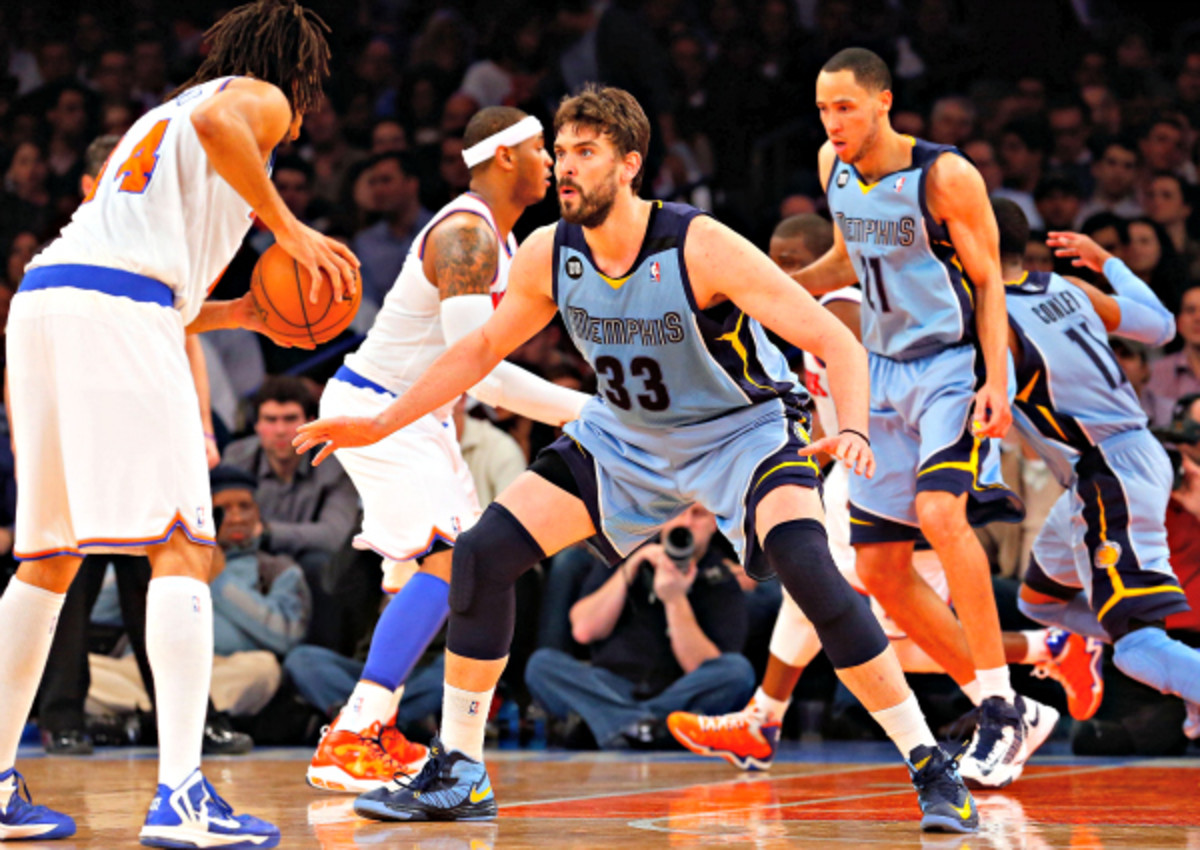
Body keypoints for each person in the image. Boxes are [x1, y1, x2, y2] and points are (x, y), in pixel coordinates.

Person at [298, 85, 978, 834]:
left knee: (812, 573)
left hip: (738, 432)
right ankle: (460, 768)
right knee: (482, 554)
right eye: (559, 153)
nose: (564, 168)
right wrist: (384, 419)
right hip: (627, 438)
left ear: (629, 164)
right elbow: (481, 349)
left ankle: (929, 764)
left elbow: (839, 341)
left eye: (584, 153)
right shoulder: (548, 252)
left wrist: (852, 428)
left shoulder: (699, 243)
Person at [0, 0, 358, 845]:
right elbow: (220, 117)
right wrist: (290, 227)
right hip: (115, 313)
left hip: (49, 302)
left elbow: (161, 292)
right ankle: (183, 794)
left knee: (47, 559)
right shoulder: (255, 99)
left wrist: (246, 313)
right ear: (297, 75)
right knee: (185, 546)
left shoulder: (154, 126)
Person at [667, 214, 1097, 772]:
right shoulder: (811, 322)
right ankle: (763, 720)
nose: (777, 272)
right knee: (815, 597)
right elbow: (832, 415)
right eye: (773, 259)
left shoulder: (841, 307)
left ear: (829, 265)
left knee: (893, 639)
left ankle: (1027, 684)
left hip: (899, 478)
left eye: (792, 261)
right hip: (858, 478)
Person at [304, 105, 589, 794]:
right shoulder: (466, 234)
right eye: (538, 149)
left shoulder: (502, 238)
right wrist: (586, 410)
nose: (551, 161)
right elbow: (482, 370)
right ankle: (350, 732)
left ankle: (378, 725)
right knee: (453, 562)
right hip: (380, 407)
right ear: (502, 159)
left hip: (417, 416)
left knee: (423, 574)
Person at [791, 47, 1049, 790]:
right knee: (878, 567)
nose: (834, 121)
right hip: (878, 369)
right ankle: (1002, 703)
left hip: (948, 366)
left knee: (941, 509)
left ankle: (999, 706)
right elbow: (845, 261)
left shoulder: (946, 175)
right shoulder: (829, 166)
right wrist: (771, 288)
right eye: (823, 109)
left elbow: (988, 281)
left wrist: (995, 380)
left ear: (882, 103)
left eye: (845, 106)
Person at [997, 211, 1200, 751]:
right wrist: (1108, 262)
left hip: (1108, 474)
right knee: (1039, 601)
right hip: (1122, 460)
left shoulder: (993, 323)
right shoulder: (1063, 285)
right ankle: (1082, 652)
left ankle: (1184, 674)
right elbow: (1160, 326)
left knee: (1136, 650)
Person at [525, 505, 754, 750]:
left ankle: (614, 724)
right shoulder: (627, 554)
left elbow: (705, 667)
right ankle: (653, 729)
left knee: (739, 673)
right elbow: (584, 630)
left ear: (714, 524)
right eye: (677, 512)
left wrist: (674, 599)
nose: (685, 523)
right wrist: (629, 569)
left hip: (678, 692)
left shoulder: (721, 577)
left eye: (697, 514)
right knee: (542, 665)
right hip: (610, 686)